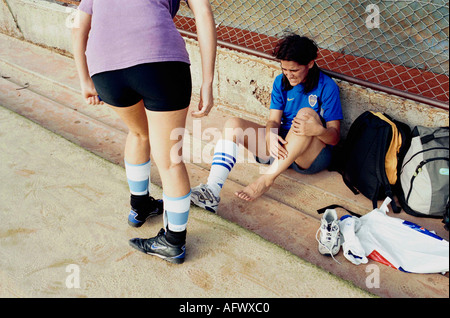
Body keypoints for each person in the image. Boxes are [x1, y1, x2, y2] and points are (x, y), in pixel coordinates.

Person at [72, 0, 217, 264]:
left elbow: (79, 26)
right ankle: (173, 243)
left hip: (105, 68)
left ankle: (140, 207)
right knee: (170, 160)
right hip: (160, 59)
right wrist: (208, 81)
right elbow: (203, 13)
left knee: (139, 133)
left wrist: (84, 79)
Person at [191, 34, 343, 212]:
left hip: (310, 155)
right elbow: (273, 120)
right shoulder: (281, 81)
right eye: (285, 69)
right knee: (233, 124)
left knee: (305, 114)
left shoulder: (327, 86)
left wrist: (317, 130)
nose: (288, 75)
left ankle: (266, 180)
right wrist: (271, 135)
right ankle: (212, 191)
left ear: (310, 63)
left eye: (294, 70)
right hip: (282, 146)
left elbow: (334, 138)